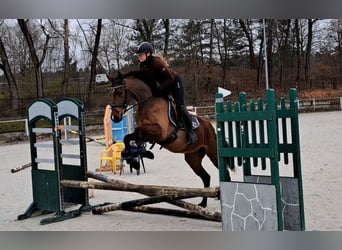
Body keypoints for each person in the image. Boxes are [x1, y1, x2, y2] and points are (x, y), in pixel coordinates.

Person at [134, 41, 197, 145]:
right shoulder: (143, 65)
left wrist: (158, 90)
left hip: (174, 83)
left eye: (141, 54)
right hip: (164, 85)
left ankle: (191, 133)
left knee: (180, 106)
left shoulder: (157, 63)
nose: (139, 57)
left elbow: (170, 78)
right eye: (138, 55)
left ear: (148, 54)